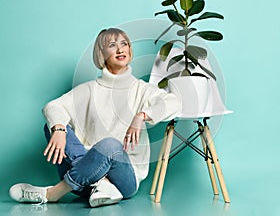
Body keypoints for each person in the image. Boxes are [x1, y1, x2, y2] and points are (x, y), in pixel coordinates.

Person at [9, 28, 181, 207]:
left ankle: (53, 193)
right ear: (101, 53)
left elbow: (175, 103)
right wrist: (59, 128)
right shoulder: (89, 89)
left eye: (124, 44)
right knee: (53, 126)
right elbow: (53, 107)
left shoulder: (141, 89)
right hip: (85, 179)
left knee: (110, 145)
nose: (120, 49)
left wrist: (142, 115)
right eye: (112, 45)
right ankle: (101, 184)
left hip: (124, 181)